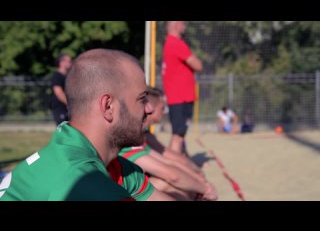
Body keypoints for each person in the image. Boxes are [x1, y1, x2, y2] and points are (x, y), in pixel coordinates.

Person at [0, 49, 173, 201]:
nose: (149, 109)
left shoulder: (112, 165)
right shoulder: (80, 180)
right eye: (142, 99)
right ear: (108, 107)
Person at [162, 21, 203, 155]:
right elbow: (198, 65)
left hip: (180, 96)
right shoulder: (176, 43)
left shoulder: (171, 43)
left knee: (180, 134)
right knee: (178, 135)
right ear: (175, 25)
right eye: (182, 23)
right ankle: (172, 166)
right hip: (180, 97)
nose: (185, 25)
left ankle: (181, 159)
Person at [51, 54, 72, 126]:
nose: (71, 63)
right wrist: (69, 103)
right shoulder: (57, 76)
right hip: (60, 108)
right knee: (63, 130)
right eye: (69, 61)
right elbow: (58, 92)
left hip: (68, 108)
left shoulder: (68, 76)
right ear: (61, 62)